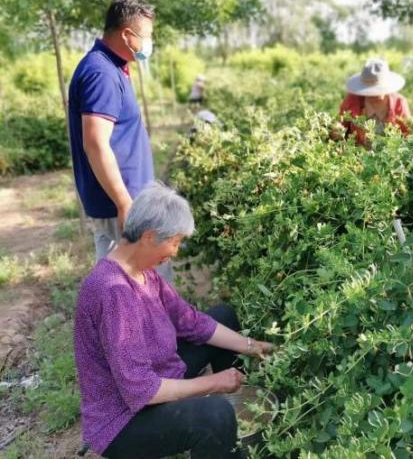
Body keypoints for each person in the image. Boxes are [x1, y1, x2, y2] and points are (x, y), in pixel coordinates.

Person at [73, 183, 274, 458]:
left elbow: (190, 321)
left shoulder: (142, 272)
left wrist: (251, 345)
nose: (176, 252)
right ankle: (223, 428)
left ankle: (234, 431)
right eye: (175, 242)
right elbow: (141, 390)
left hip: (156, 378)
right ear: (149, 236)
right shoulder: (113, 292)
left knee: (223, 316)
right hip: (123, 420)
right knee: (214, 415)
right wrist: (213, 383)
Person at [67, 0, 173, 279]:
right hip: (123, 206)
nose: (149, 43)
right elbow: (96, 143)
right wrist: (125, 203)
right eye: (147, 36)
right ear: (127, 35)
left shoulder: (112, 67)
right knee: (145, 289)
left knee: (125, 285)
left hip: (126, 203)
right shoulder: (101, 73)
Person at [336, 58, 410, 147]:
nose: (371, 94)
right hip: (358, 157)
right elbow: (340, 126)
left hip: (391, 157)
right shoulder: (352, 100)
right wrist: (336, 131)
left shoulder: (399, 103)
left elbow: (408, 135)